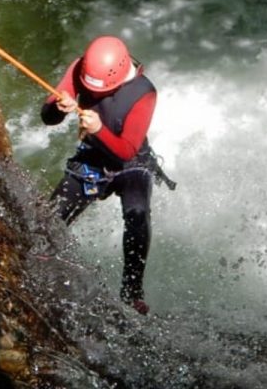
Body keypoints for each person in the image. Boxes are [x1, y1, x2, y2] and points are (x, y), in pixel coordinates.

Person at [41, 35, 172, 315]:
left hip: (131, 162)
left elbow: (125, 151)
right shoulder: (81, 68)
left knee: (137, 214)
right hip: (92, 159)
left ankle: (132, 289)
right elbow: (47, 116)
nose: (94, 94)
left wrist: (99, 129)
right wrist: (57, 107)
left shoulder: (143, 91)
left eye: (99, 91)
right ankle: (42, 263)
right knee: (48, 220)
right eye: (90, 88)